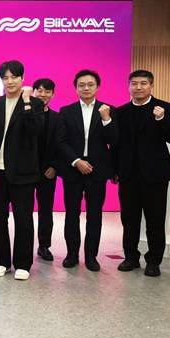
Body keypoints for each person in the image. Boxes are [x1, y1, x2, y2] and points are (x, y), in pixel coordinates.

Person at [114, 70, 170, 277]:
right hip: (128, 175)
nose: (138, 87)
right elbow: (116, 145)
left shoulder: (165, 108)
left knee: (155, 220)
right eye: (134, 83)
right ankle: (131, 257)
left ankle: (153, 261)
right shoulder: (120, 111)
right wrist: (115, 171)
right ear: (128, 86)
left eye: (143, 83)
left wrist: (161, 119)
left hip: (155, 175)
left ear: (151, 86)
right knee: (129, 220)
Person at [0, 60, 44, 281]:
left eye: (14, 77)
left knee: (23, 219)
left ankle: (23, 263)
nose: (9, 81)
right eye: (5, 78)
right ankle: (1, 261)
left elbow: (35, 130)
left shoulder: (35, 104)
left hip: (23, 172)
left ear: (22, 78)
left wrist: (26, 101)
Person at [56, 70, 118, 272]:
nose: (86, 88)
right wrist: (76, 161)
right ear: (76, 88)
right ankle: (72, 254)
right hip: (73, 169)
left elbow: (114, 141)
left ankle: (91, 257)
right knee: (71, 214)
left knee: (95, 215)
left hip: (97, 171)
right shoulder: (66, 111)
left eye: (90, 84)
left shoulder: (108, 110)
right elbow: (61, 141)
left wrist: (107, 119)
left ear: (97, 87)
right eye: (81, 85)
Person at [32, 78, 61, 263]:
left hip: (47, 172)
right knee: (24, 212)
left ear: (52, 94)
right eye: (40, 90)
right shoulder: (24, 114)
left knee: (45, 210)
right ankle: (24, 244)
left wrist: (54, 166)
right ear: (33, 92)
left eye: (47, 91)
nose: (43, 94)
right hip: (26, 172)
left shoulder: (58, 118)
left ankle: (44, 245)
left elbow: (61, 144)